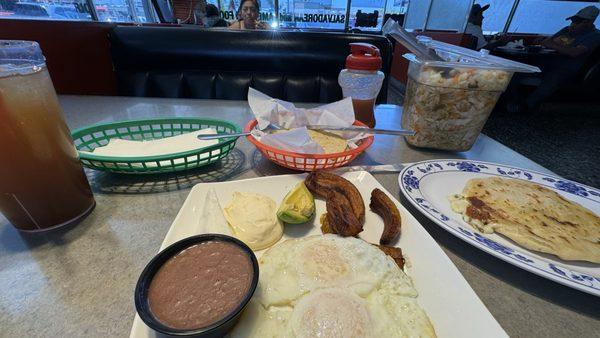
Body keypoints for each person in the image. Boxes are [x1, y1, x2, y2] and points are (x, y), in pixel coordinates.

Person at [511, 5, 600, 112]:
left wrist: (550, 44)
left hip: (565, 68)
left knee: (550, 81)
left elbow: (574, 52)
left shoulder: (594, 36)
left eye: (577, 21)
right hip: (546, 62)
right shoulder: (566, 30)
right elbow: (549, 41)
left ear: (587, 23)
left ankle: (526, 106)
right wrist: (542, 41)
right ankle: (511, 100)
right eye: (573, 21)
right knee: (514, 73)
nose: (573, 24)